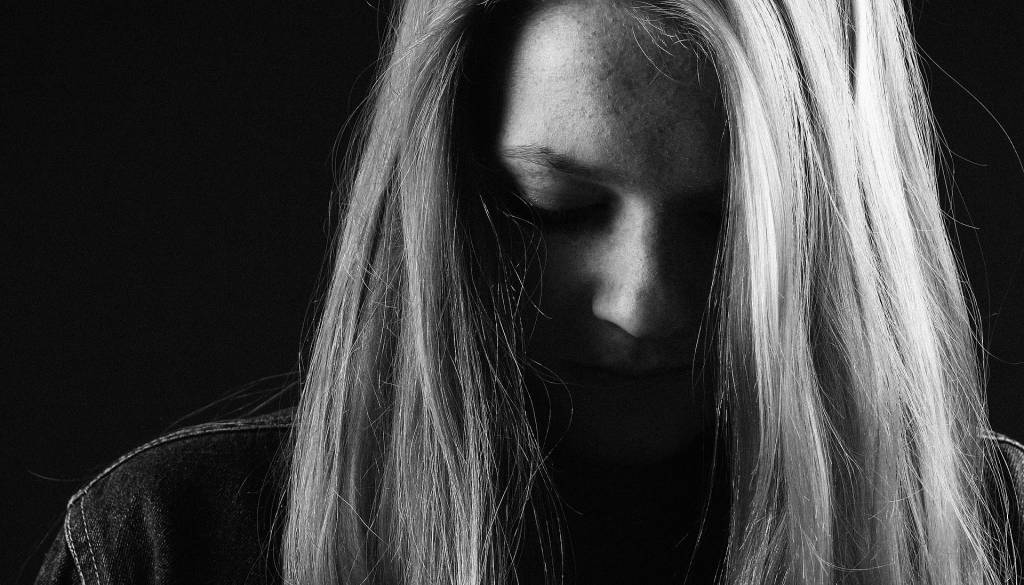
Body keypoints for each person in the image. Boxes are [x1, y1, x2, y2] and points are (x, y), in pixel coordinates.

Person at [34, 0, 1024, 584]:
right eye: (555, 207)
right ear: (441, 195)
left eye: (728, 224)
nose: (643, 306)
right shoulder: (168, 544)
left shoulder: (1000, 535)